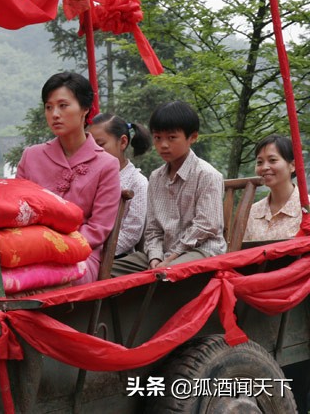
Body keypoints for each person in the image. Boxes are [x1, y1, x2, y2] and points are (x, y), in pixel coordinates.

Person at [16, 72, 121, 285]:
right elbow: (17, 212)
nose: (55, 114)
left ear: (85, 109)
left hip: (80, 256)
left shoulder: (107, 164)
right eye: (49, 107)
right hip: (33, 252)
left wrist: (56, 247)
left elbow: (98, 229)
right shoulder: (31, 156)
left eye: (63, 106)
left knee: (49, 280)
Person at [111, 101, 225, 276]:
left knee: (165, 274)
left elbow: (206, 226)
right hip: (162, 253)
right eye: (158, 138)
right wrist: (155, 257)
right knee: (106, 270)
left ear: (192, 137)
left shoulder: (207, 175)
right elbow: (153, 228)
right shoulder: (156, 177)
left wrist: (172, 257)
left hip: (200, 251)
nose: (163, 145)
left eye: (171, 138)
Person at [88, 113, 152, 257]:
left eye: (100, 145)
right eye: (90, 146)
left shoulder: (137, 182)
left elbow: (131, 233)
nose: (94, 151)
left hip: (114, 257)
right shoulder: (87, 176)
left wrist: (96, 254)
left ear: (123, 142)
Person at [245, 134, 304, 241]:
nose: (264, 167)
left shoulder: (306, 209)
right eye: (259, 162)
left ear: (293, 166)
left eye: (272, 160)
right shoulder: (252, 212)